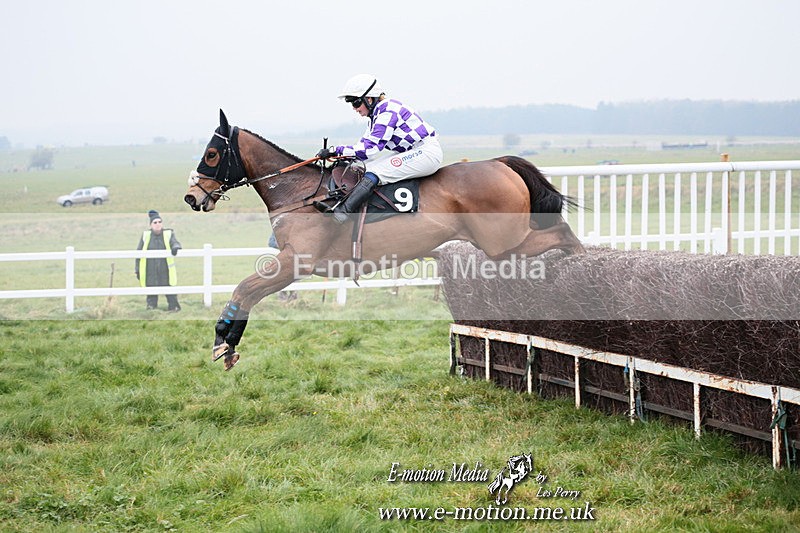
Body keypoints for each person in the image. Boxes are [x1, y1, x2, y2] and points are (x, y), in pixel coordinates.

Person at [316, 74, 442, 223]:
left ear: (369, 99)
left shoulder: (388, 111)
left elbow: (371, 149)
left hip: (426, 153)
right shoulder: (376, 115)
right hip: (412, 151)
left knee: (374, 172)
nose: (354, 109)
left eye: (356, 103)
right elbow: (362, 151)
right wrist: (339, 156)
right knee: (364, 168)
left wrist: (336, 150)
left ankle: (343, 212)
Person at [135, 210, 182, 311]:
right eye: (155, 223)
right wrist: (137, 269)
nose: (157, 224)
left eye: (159, 222)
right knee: (151, 288)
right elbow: (138, 253)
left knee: (169, 288)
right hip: (150, 268)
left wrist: (176, 247)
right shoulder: (145, 236)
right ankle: (151, 307)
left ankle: (174, 307)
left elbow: (175, 242)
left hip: (165, 268)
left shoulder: (168, 234)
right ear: (151, 225)